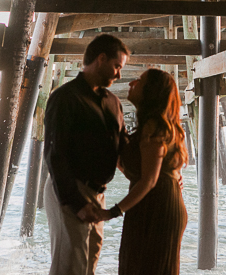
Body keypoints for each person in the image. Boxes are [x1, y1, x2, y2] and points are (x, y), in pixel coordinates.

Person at [43, 34, 130, 275]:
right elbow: (54, 154)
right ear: (101, 59)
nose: (119, 74)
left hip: (98, 192)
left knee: (89, 262)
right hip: (70, 190)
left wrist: (163, 172)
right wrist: (76, 202)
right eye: (117, 66)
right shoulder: (65, 98)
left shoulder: (113, 102)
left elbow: (123, 145)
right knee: (70, 265)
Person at [95, 68, 188, 275]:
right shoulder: (155, 125)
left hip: (156, 207)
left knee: (142, 266)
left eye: (140, 81)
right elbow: (139, 171)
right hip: (156, 203)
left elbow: (148, 181)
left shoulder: (153, 126)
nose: (131, 83)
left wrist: (112, 211)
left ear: (151, 92)